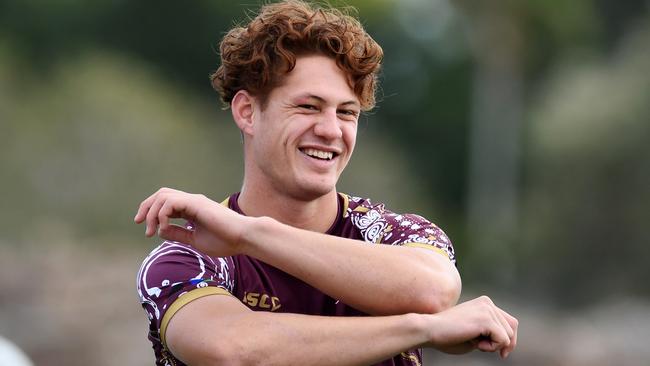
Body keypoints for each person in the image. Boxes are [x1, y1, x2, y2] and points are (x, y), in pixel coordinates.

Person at [135, 1, 518, 365]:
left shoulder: (394, 235)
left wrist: (247, 234)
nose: (330, 130)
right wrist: (422, 329)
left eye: (347, 113)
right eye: (308, 107)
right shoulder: (184, 256)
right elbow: (234, 350)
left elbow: (433, 291)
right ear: (247, 112)